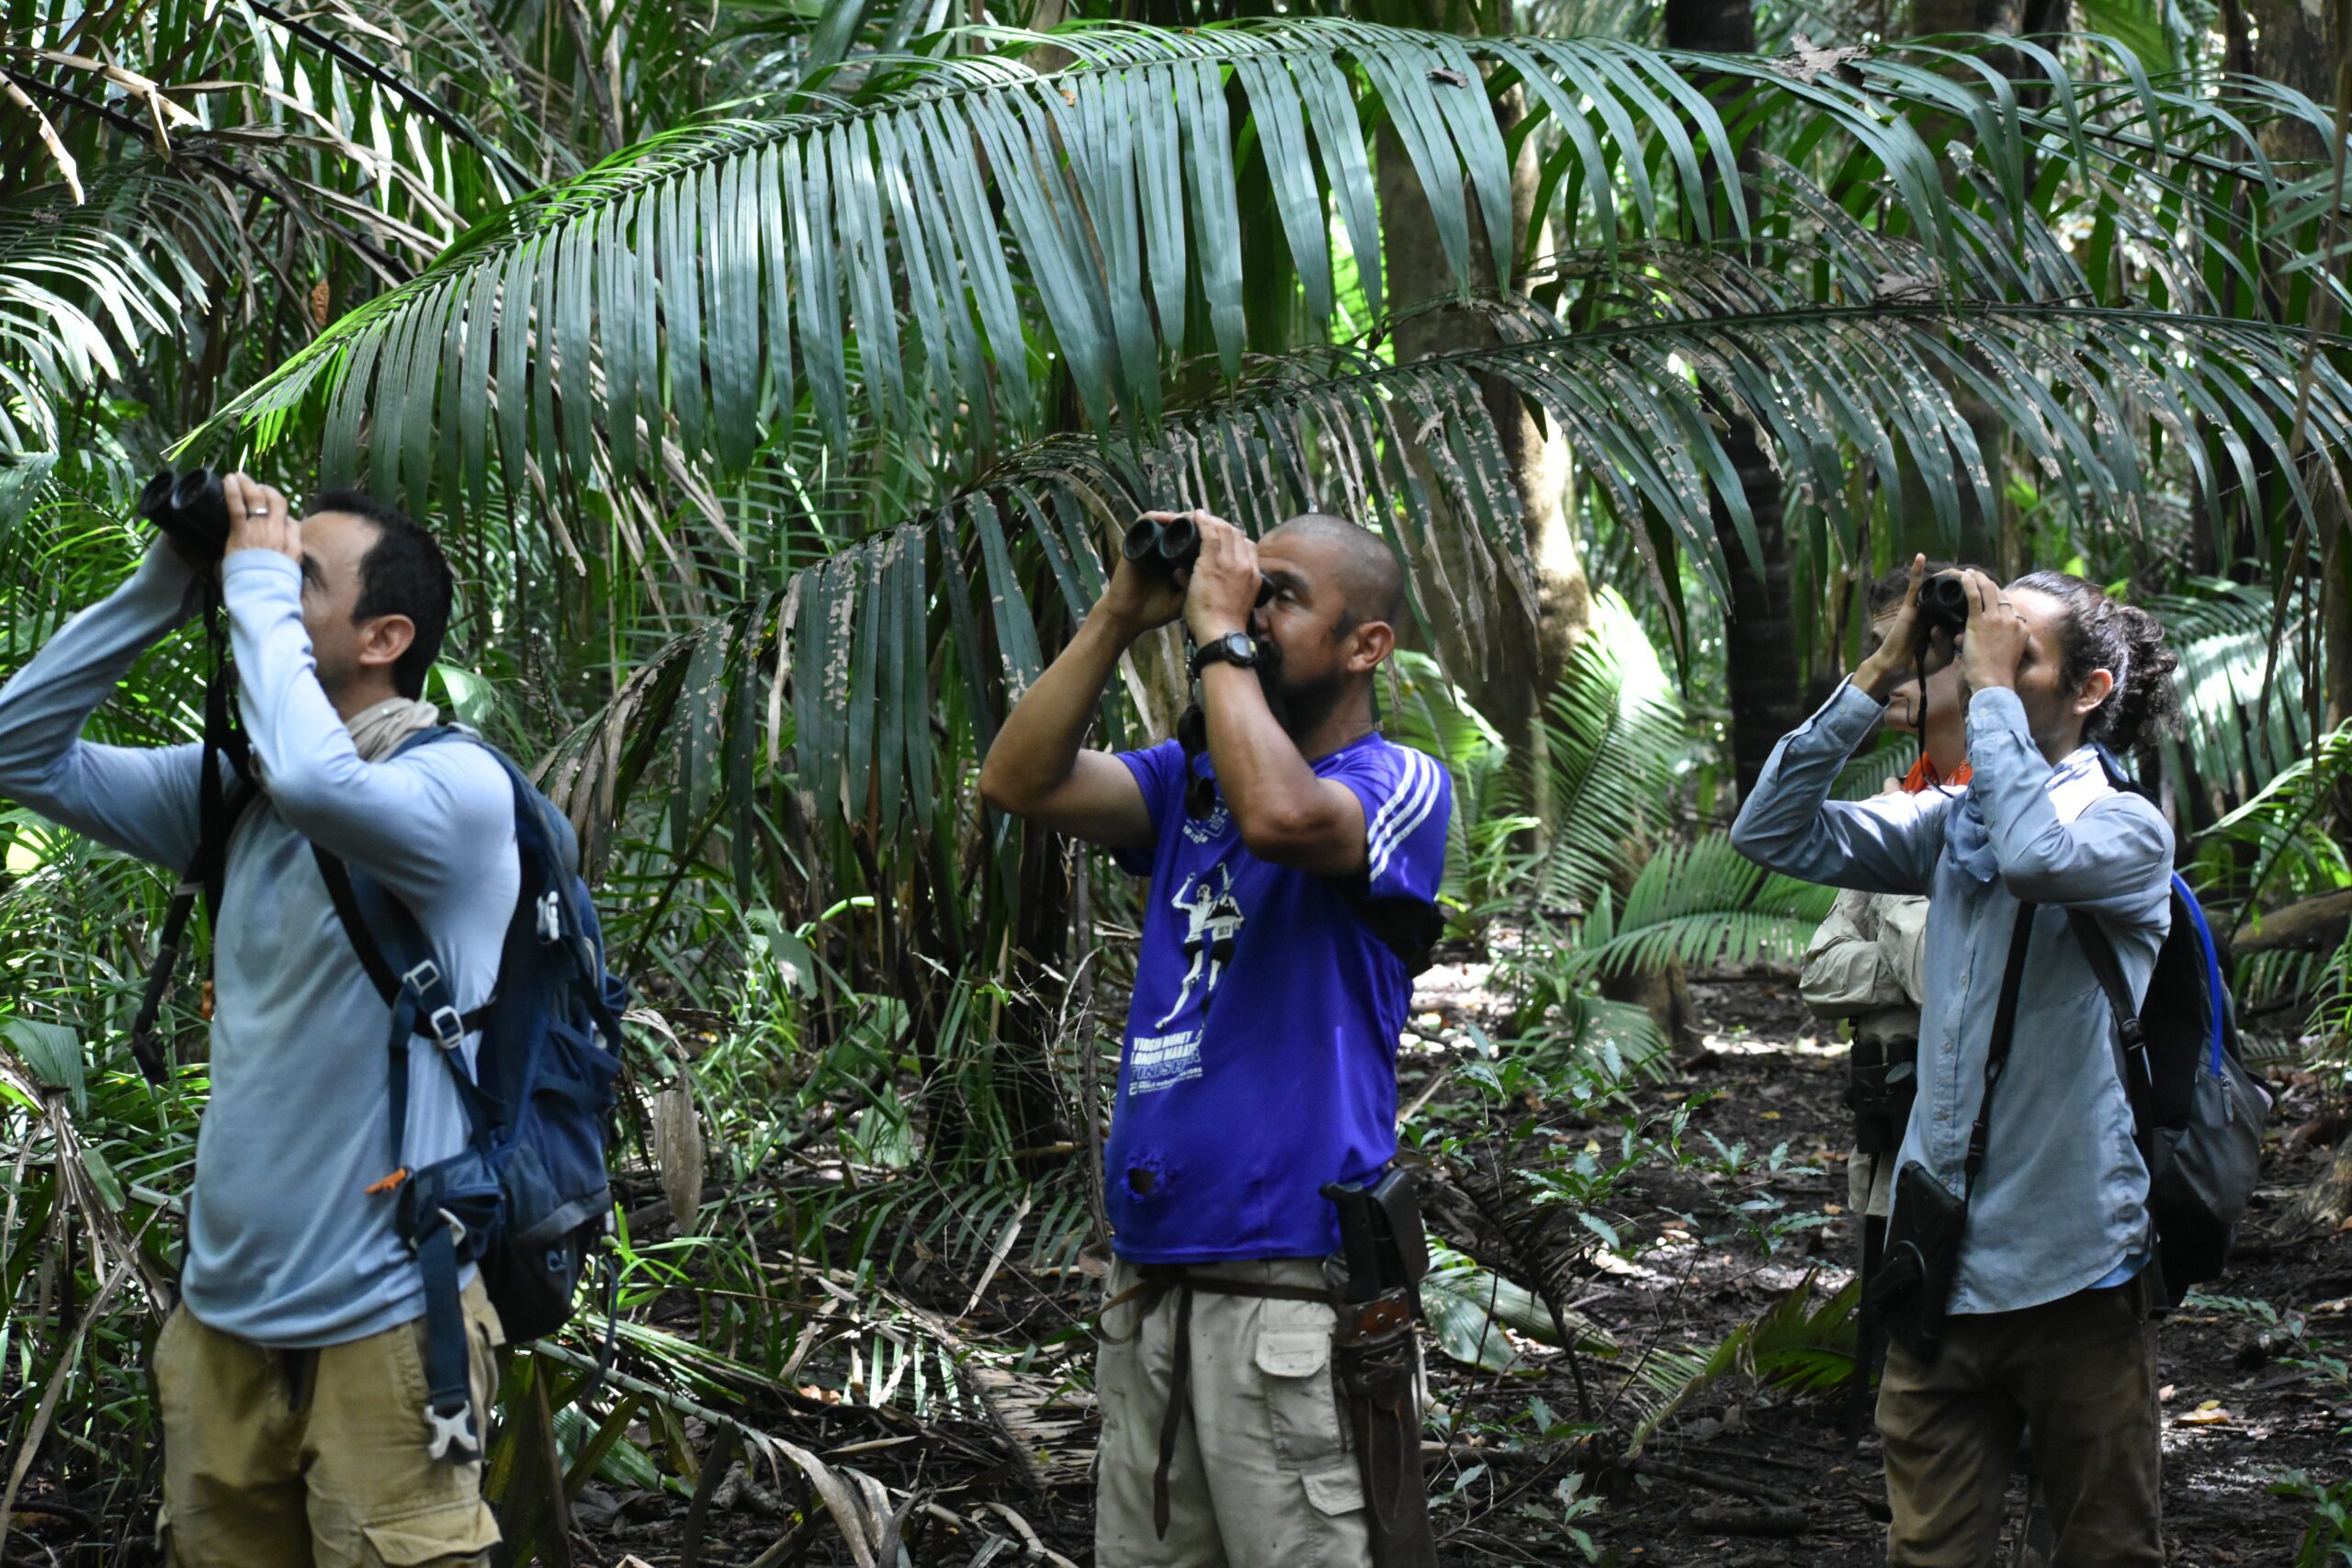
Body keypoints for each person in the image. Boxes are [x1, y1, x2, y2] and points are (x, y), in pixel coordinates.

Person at [0, 476, 513, 1564]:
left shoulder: (455, 793)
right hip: (222, 1330)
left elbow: (326, 785)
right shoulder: (236, 796)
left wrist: (250, 584)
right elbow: (14, 750)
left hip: (389, 1332)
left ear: (385, 637)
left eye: (297, 578)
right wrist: (164, 583)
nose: (262, 589)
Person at [978, 509, 1452, 1567]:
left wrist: (1217, 638)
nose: (1245, 606)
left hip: (1287, 1287)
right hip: (1153, 1283)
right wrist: (1116, 614)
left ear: (1365, 645)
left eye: (1279, 595)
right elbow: (1017, 781)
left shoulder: (1397, 784)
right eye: (1246, 586)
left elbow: (1285, 818)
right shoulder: (1182, 789)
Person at [1732, 558, 2184, 1567]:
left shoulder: (2125, 829)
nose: (1981, 656)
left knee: (2102, 1549)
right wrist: (1881, 667)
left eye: (2015, 646)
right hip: (1940, 1271)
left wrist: (1981, 696)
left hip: (2077, 1275)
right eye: (1978, 639)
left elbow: (2034, 858)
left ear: (2089, 691)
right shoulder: (1950, 827)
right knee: (1928, 1553)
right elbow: (1768, 829)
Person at [1803, 563, 1973, 1231]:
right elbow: (1819, 972)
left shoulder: (2018, 814)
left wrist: (1894, 927)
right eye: (1884, 649)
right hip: (1886, 1151)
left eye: (1913, 650)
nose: (1892, 669)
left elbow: (1944, 979)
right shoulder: (1889, 806)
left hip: (1975, 1160)